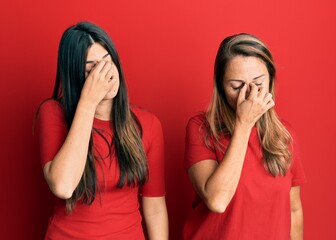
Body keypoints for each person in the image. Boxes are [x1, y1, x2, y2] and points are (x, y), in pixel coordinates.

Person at [34, 21, 168, 239]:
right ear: (75, 76)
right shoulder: (53, 113)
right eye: (92, 68)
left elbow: (154, 207)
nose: (107, 73)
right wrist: (88, 103)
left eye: (108, 61)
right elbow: (63, 186)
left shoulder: (148, 124)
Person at [183, 33, 306, 240]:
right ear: (221, 88)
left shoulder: (285, 135)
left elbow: (294, 210)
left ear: (271, 79)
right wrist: (244, 123)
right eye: (237, 86)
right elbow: (217, 201)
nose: (249, 93)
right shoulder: (201, 129)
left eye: (258, 81)